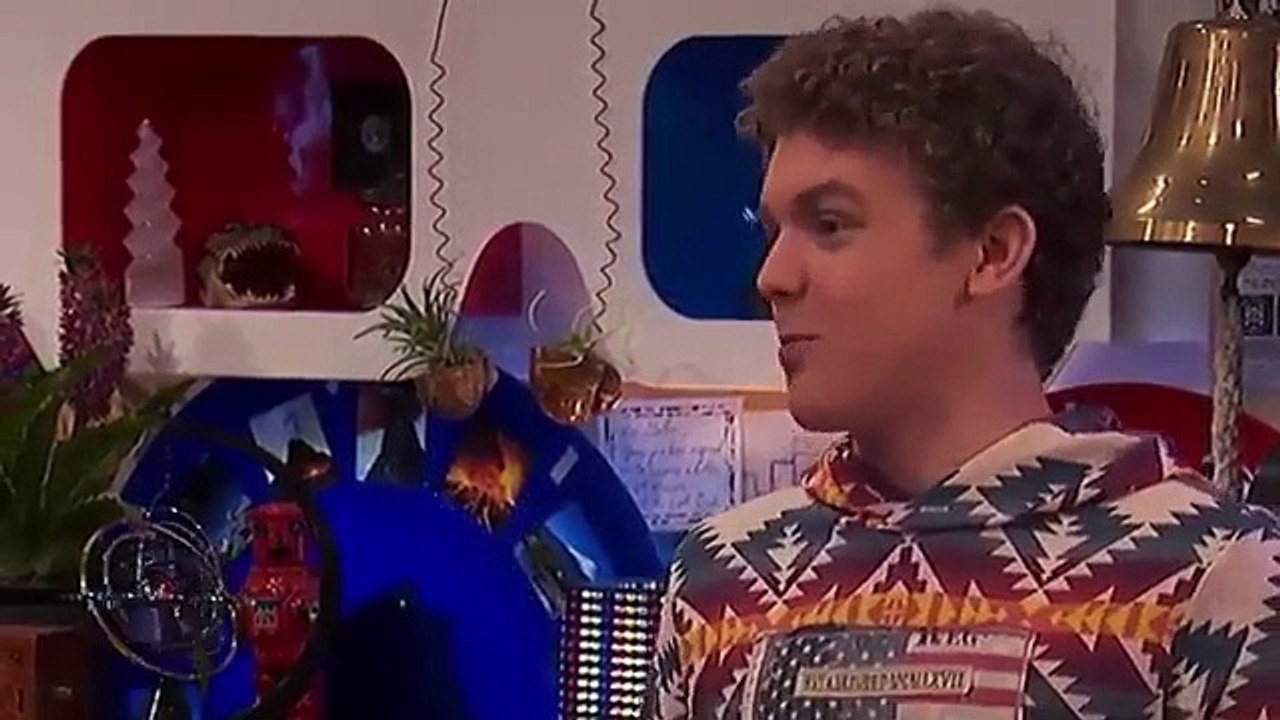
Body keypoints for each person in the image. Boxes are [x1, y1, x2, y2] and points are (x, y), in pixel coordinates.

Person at [649, 8, 1280, 719]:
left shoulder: (1215, 576)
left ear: (993, 253)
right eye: (772, 231)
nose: (772, 277)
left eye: (829, 225)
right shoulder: (719, 579)